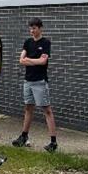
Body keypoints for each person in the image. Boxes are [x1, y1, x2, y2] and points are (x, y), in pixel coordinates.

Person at [13, 18, 58, 151]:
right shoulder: (27, 42)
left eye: (34, 28)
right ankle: (24, 136)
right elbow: (21, 60)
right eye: (31, 28)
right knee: (28, 108)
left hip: (40, 81)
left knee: (47, 110)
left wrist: (29, 60)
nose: (32, 31)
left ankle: (53, 142)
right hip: (28, 81)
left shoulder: (45, 43)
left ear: (40, 28)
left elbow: (43, 62)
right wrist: (32, 61)